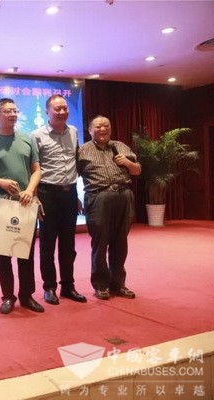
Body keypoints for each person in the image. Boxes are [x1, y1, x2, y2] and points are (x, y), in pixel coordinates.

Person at [0, 98, 45, 314]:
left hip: (25, 203)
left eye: (15, 111)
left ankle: (27, 295)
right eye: (7, 111)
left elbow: (36, 170)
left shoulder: (27, 139)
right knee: (3, 254)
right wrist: (1, 182)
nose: (13, 114)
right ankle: (8, 296)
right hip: (0, 205)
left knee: (26, 253)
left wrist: (30, 191)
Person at [31, 94, 87, 305]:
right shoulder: (36, 135)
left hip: (69, 193)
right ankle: (49, 287)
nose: (62, 112)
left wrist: (77, 196)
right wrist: (36, 198)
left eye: (65, 108)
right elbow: (33, 169)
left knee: (68, 244)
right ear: (47, 111)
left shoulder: (73, 131)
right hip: (47, 194)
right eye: (57, 109)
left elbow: (73, 164)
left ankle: (68, 286)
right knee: (47, 245)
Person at [77, 115, 141, 300]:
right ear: (90, 130)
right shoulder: (83, 150)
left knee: (120, 242)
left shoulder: (121, 146)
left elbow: (137, 170)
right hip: (99, 197)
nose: (103, 129)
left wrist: (128, 163)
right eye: (98, 127)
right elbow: (72, 175)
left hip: (123, 195)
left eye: (106, 125)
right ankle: (101, 284)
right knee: (100, 242)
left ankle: (118, 284)